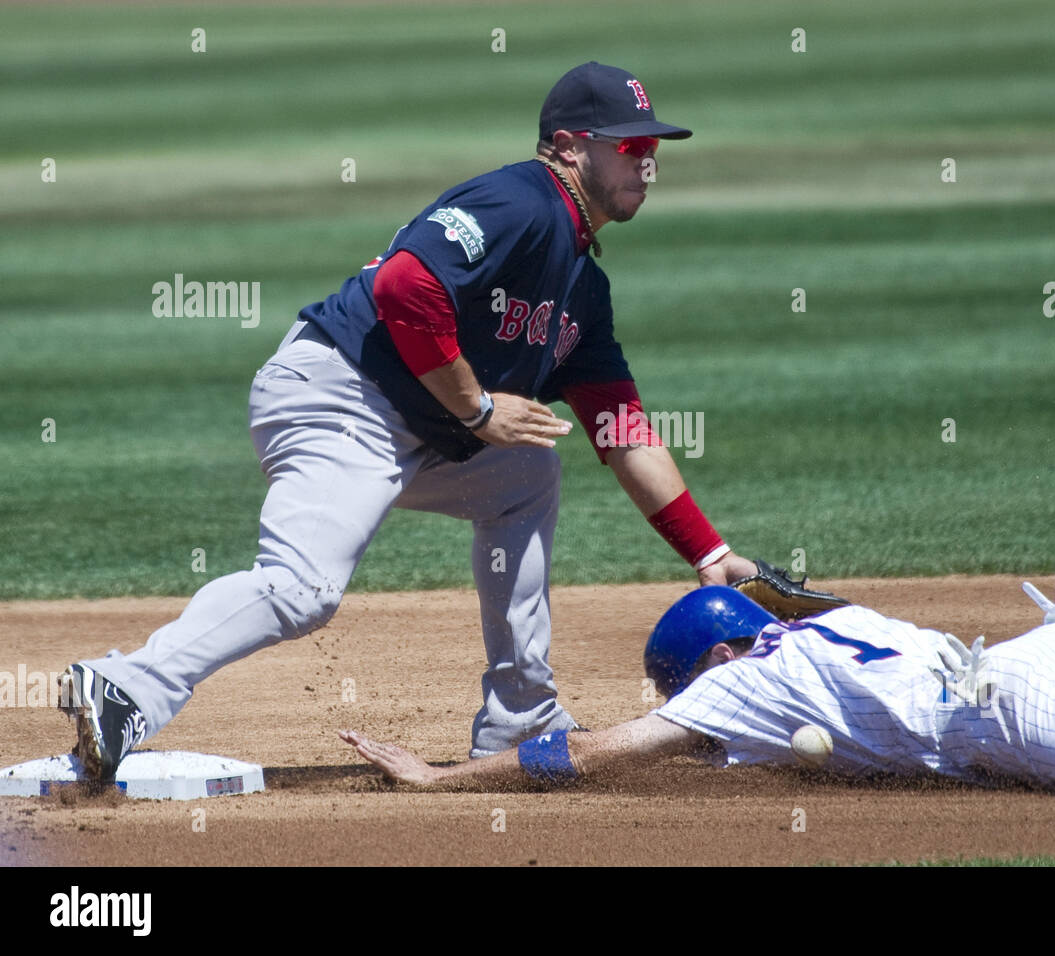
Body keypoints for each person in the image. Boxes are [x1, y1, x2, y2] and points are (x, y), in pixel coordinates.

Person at [59, 61, 758, 783]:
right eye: (628, 145)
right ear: (571, 146)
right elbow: (405, 283)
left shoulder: (585, 285)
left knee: (524, 473)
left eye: (653, 148)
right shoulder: (524, 199)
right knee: (305, 590)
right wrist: (479, 408)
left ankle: (521, 717)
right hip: (339, 395)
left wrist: (711, 555)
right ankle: (126, 687)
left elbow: (621, 429)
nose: (647, 161)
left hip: (416, 427)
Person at [342, 435, 1055, 794]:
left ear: (716, 656)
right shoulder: (830, 621)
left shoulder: (749, 682)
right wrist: (726, 564)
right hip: (1052, 652)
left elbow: (585, 754)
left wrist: (443, 779)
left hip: (999, 703)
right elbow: (786, 591)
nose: (687, 704)